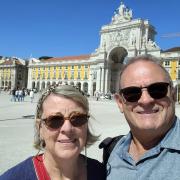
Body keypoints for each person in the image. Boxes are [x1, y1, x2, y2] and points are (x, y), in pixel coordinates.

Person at [0, 85, 106, 180]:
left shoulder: (103, 174)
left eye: (78, 118)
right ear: (39, 128)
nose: (67, 128)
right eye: (55, 120)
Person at [106, 54, 180, 179]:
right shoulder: (112, 152)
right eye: (132, 93)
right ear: (120, 103)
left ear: (173, 95)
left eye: (157, 89)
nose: (145, 100)